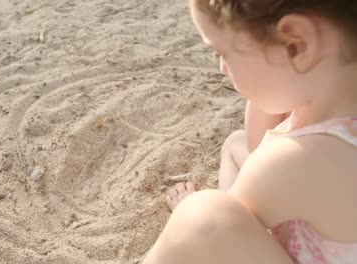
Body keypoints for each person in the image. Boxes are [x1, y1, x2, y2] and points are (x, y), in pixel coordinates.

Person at [143, 0, 357, 263]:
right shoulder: (338, 106)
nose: (222, 67)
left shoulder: (297, 161)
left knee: (199, 216)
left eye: (222, 52)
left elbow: (218, 229)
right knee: (236, 143)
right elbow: (256, 148)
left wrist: (188, 211)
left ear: (295, 44)